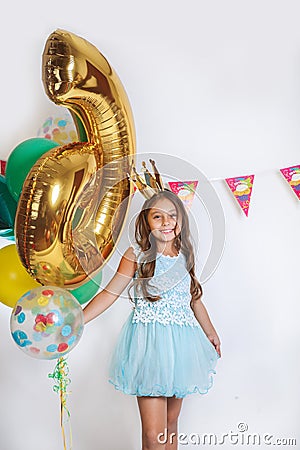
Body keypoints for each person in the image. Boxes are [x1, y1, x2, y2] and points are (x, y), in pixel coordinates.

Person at [83, 188, 221, 450]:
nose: (167, 222)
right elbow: (110, 293)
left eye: (172, 215)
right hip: (150, 348)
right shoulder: (137, 256)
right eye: (158, 217)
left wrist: (211, 332)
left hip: (181, 347)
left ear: (181, 219)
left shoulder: (185, 256)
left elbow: (194, 300)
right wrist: (79, 319)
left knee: (170, 425)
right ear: (146, 222)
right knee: (153, 434)